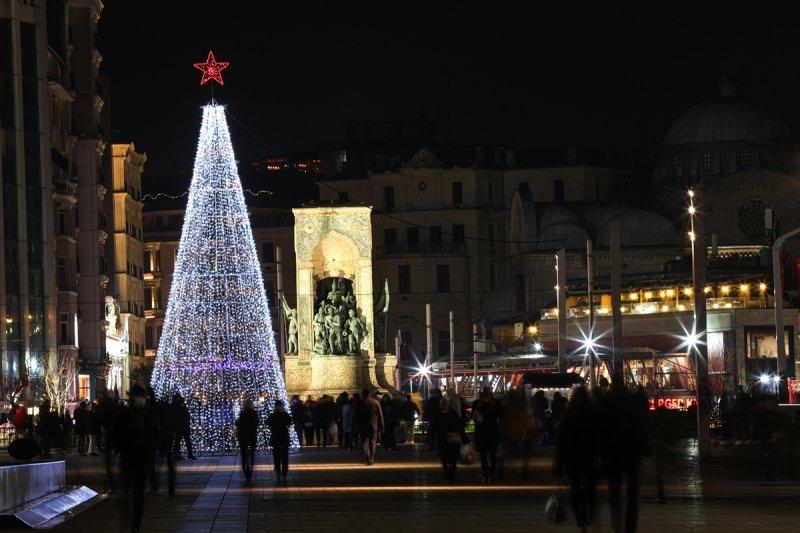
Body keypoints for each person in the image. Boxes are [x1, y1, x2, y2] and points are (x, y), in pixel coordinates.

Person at [598, 383, 648, 533]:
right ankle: (630, 526)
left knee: (614, 492)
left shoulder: (606, 405)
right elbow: (641, 428)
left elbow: (601, 432)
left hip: (613, 455)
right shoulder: (633, 404)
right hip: (632, 455)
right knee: (633, 494)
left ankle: (617, 524)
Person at [112, 384, 159, 533]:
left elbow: (157, 434)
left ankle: (135, 524)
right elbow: (115, 435)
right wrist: (122, 448)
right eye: (137, 398)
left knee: (139, 495)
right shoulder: (123, 415)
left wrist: (152, 449)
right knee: (125, 494)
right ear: (132, 399)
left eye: (142, 398)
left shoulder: (150, 415)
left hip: (143, 460)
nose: (139, 401)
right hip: (128, 458)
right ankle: (127, 520)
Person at [556, 386, 598, 532]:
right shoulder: (592, 414)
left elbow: (561, 441)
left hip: (572, 459)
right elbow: (599, 438)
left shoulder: (567, 414)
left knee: (574, 489)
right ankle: (588, 513)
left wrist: (558, 463)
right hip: (589, 457)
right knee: (590, 487)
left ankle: (580, 517)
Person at [473, 386, 503, 483]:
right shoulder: (493, 403)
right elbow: (501, 415)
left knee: (487, 456)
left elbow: (500, 414)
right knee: (488, 455)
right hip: (489, 432)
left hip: (485, 432)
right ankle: (488, 474)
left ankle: (487, 474)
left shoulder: (479, 403)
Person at [435, 397, 465, 482]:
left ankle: (452, 475)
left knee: (453, 458)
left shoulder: (453, 414)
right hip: (443, 441)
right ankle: (447, 474)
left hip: (453, 440)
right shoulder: (439, 415)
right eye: (443, 404)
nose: (445, 405)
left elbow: (459, 427)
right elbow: (436, 427)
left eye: (446, 404)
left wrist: (463, 438)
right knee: (444, 459)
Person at [356, 389, 384, 465]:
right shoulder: (376, 402)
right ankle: (372, 458)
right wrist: (382, 426)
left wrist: (354, 426)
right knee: (372, 442)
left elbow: (356, 415)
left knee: (364, 442)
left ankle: (367, 458)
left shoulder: (360, 402)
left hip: (363, 425)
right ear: (370, 394)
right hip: (373, 425)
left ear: (363, 394)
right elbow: (380, 415)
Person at [267, 400, 293, 481]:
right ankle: (279, 471)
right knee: (278, 455)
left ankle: (283, 471)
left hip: (281, 437)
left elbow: (289, 422)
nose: (279, 407)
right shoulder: (275, 415)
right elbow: (269, 423)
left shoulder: (280, 414)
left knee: (283, 455)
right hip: (278, 437)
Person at [236, 399, 259, 482]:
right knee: (251, 454)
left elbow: (238, 423)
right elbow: (257, 423)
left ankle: (246, 472)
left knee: (244, 455)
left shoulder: (242, 413)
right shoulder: (254, 413)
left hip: (243, 436)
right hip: (252, 436)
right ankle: (250, 470)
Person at [172, 393, 195, 460]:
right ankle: (181, 455)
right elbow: (182, 414)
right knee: (181, 440)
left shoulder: (178, 405)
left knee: (179, 440)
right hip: (181, 425)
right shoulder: (178, 405)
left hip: (181, 425)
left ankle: (180, 455)